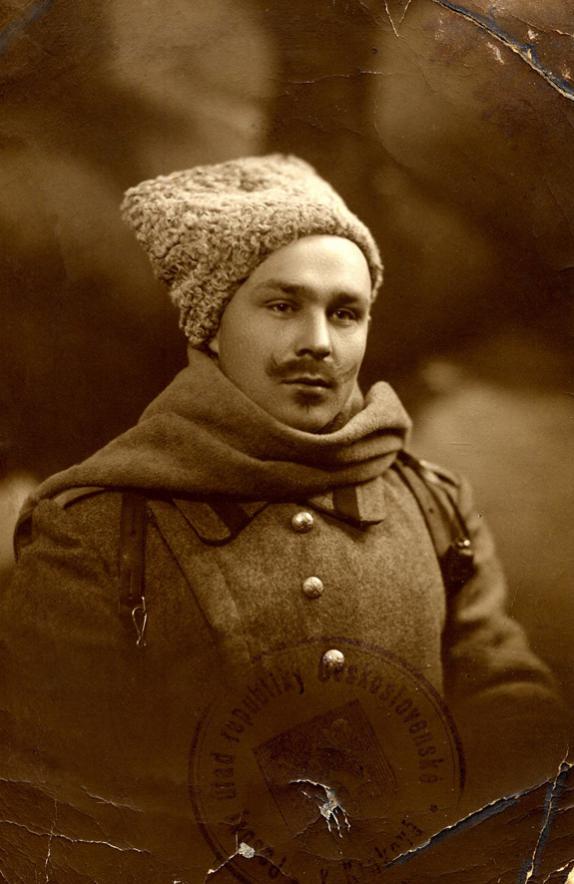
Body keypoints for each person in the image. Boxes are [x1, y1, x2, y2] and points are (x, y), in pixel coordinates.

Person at [0, 155, 567, 883]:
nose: (319, 342)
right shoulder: (97, 527)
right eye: (281, 306)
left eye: (345, 312)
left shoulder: (433, 504)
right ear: (211, 324)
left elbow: (505, 704)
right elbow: (54, 805)